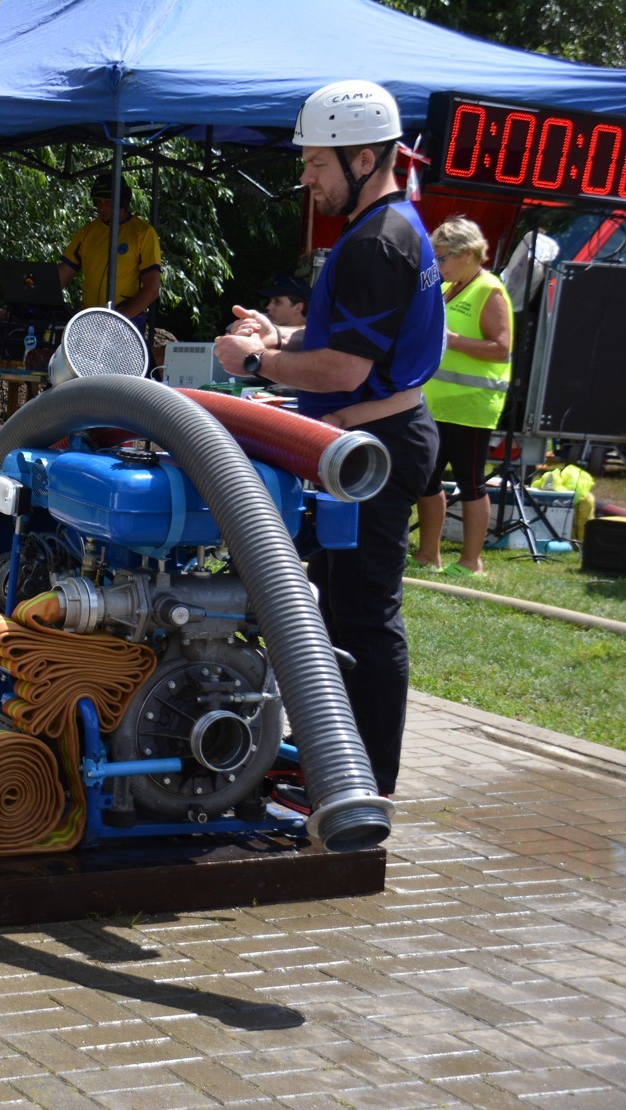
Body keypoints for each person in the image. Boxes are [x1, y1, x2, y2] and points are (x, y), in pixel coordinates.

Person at [214, 81, 441, 798]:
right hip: (373, 437)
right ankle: (335, 767)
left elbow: (345, 368)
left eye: (316, 163)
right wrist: (280, 334)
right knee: (338, 609)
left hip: (375, 444)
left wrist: (256, 361)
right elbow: (346, 336)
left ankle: (361, 783)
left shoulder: (376, 242)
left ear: (364, 159)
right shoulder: (388, 226)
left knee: (363, 616)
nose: (307, 179)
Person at [411, 216, 513, 576]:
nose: (437, 264)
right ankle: (429, 555)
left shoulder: (489, 289)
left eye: (442, 257)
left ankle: (471, 562)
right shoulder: (447, 288)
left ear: (467, 254)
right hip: (436, 403)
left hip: (470, 406)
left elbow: (501, 348)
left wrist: (453, 340)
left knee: (470, 482)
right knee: (427, 480)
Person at [58, 177, 162, 324]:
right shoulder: (87, 231)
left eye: (107, 202)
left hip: (126, 320)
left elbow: (152, 289)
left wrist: (118, 320)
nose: (102, 207)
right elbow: (62, 275)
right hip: (90, 319)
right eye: (98, 202)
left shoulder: (143, 233)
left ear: (122, 201)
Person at [231, 274, 310, 338]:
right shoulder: (256, 324)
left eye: (277, 302)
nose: (268, 307)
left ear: (298, 308)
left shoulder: (313, 341)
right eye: (270, 301)